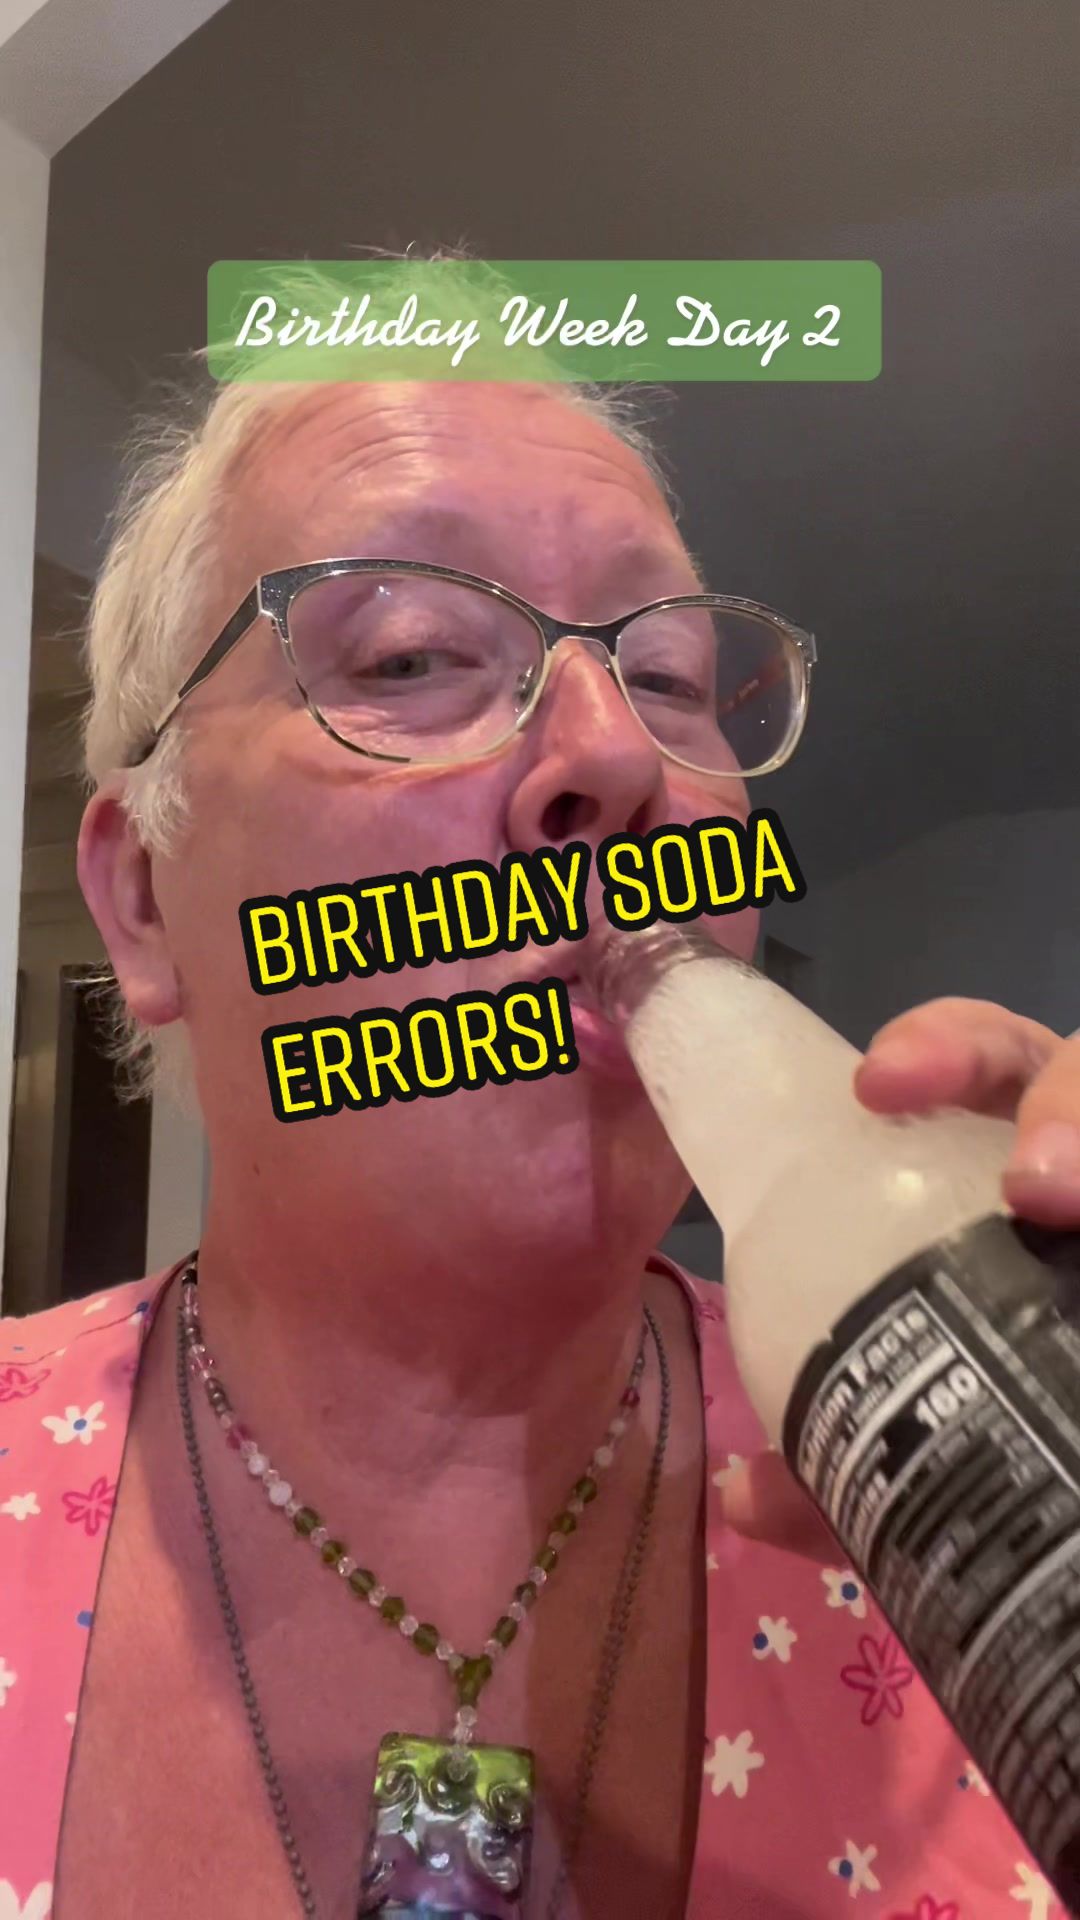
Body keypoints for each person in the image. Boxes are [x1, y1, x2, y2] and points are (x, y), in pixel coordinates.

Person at [1, 362, 1078, 1920]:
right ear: (144, 900)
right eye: (411, 654)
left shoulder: (981, 1476)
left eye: (671, 678)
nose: (620, 760)